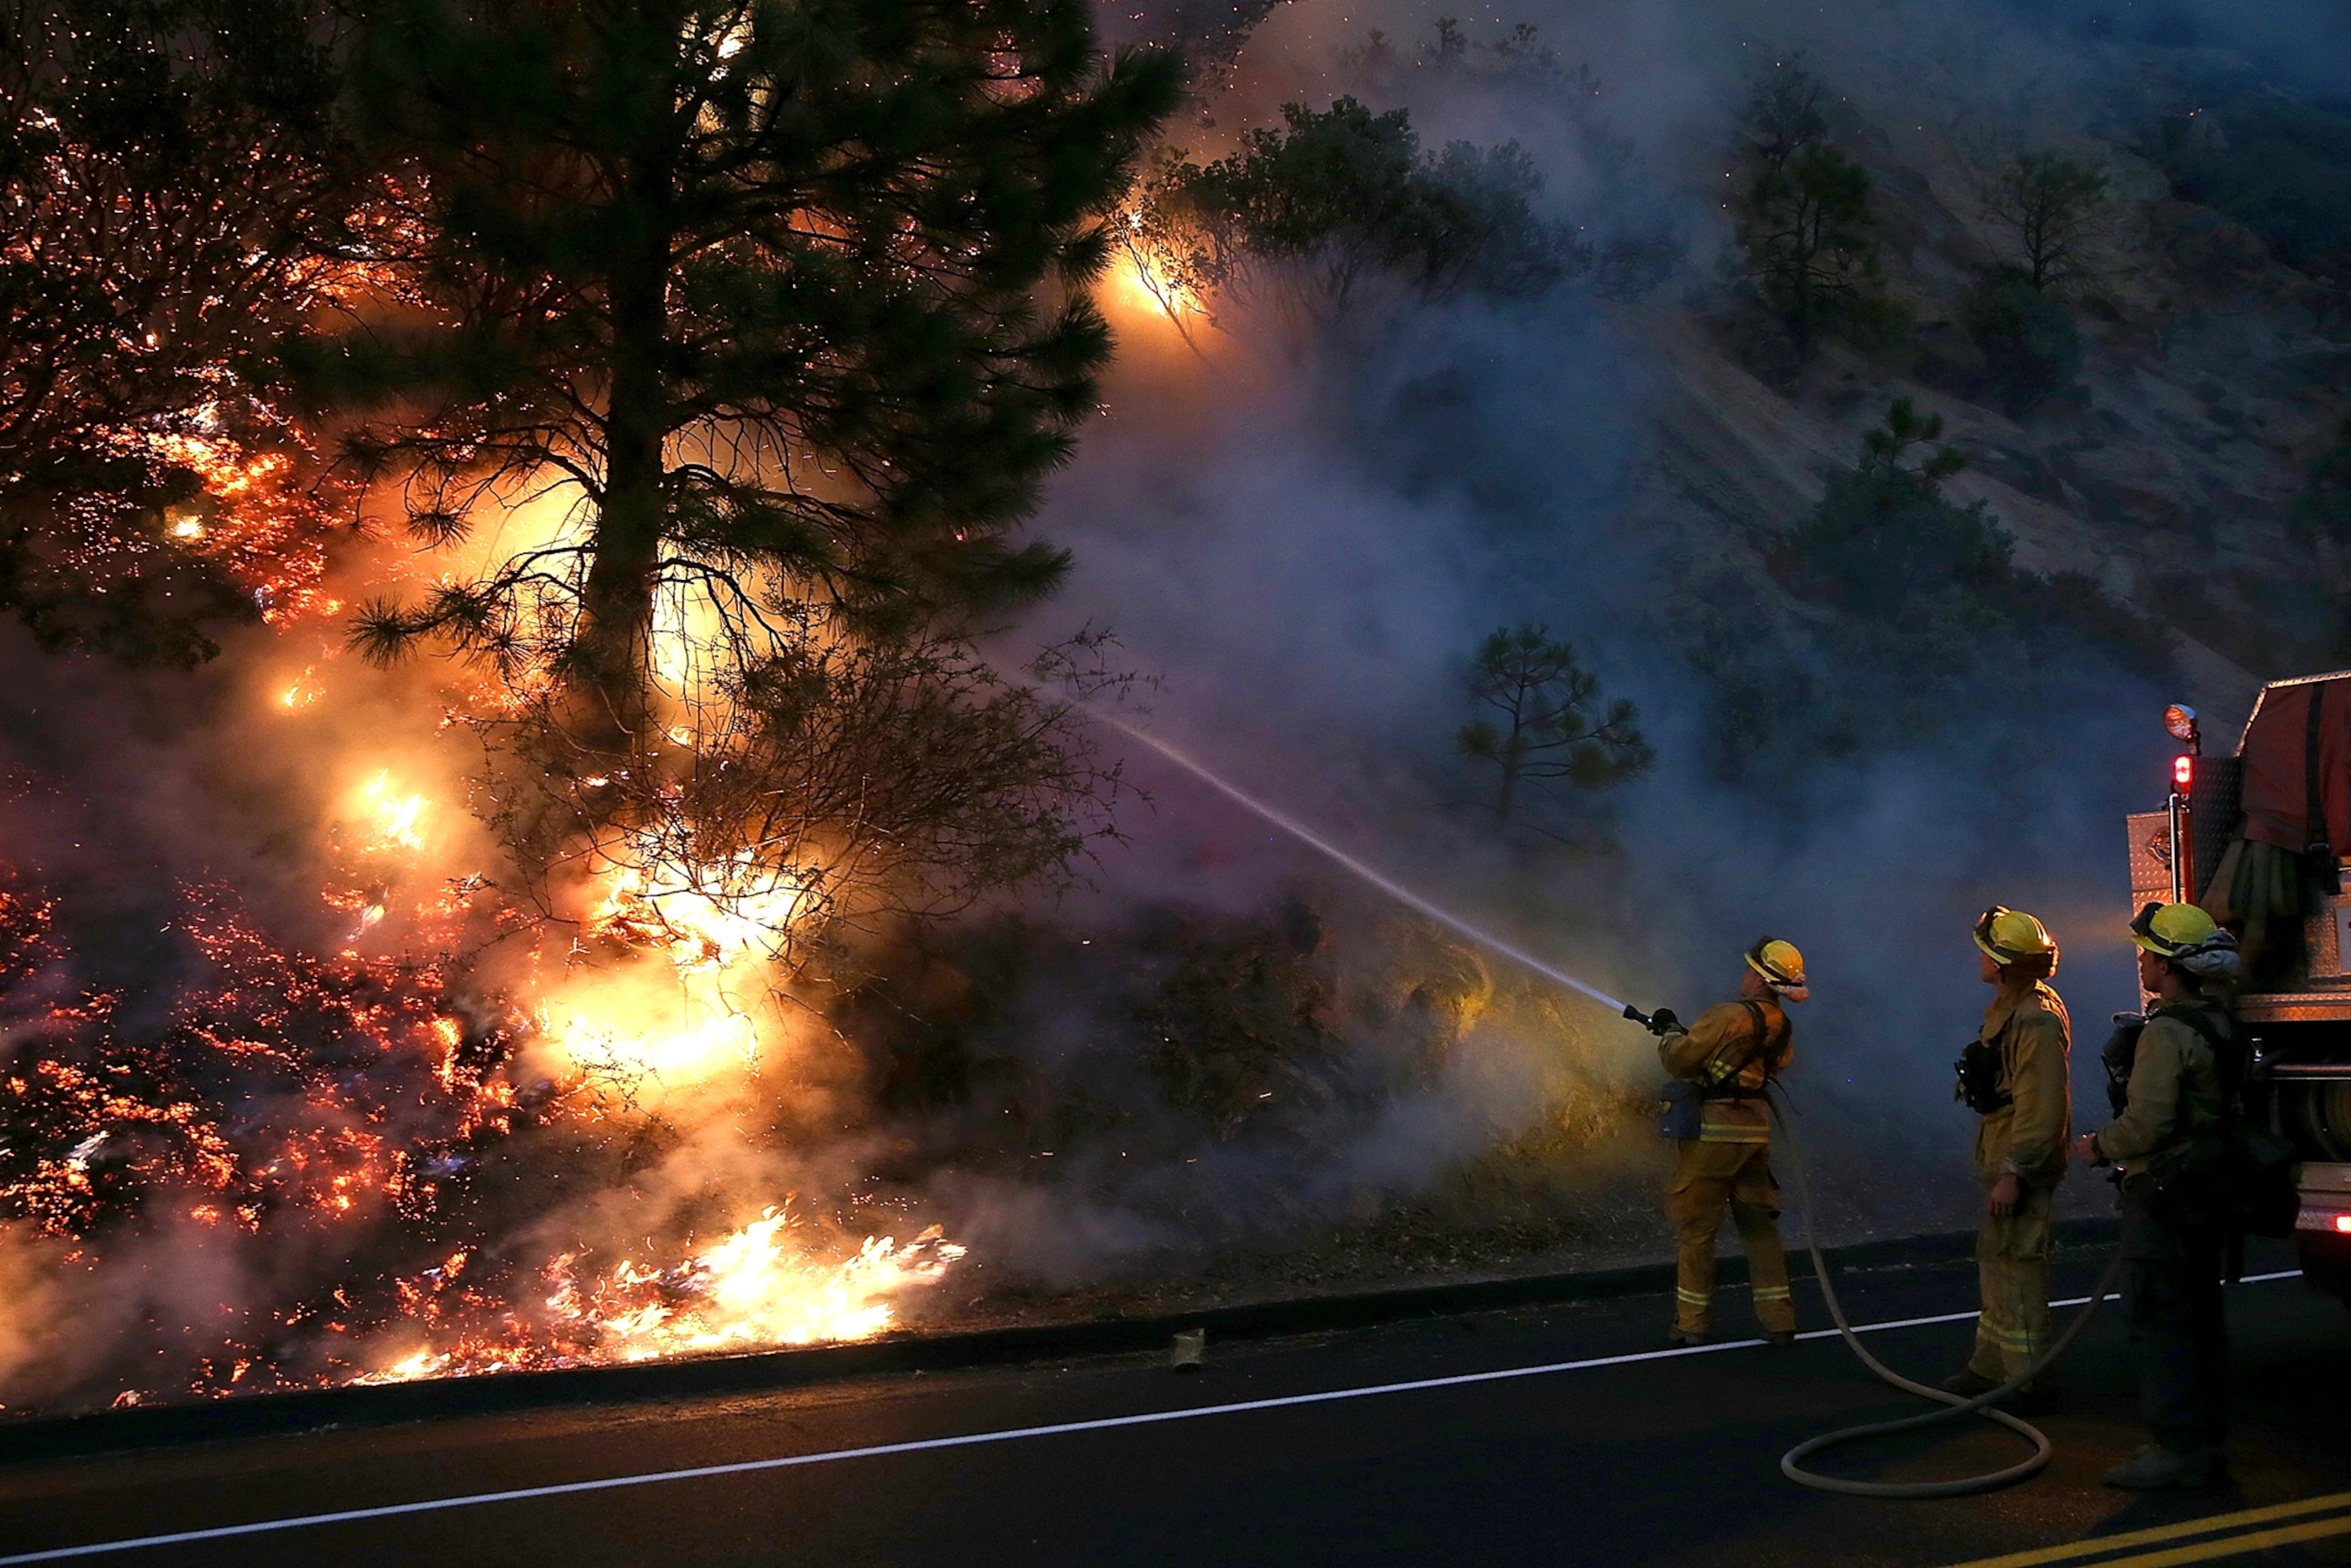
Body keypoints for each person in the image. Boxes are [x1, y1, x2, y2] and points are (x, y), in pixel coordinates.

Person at [2073, 901, 2241, 1491]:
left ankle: (2176, 1450)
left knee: (2161, 1320)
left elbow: (2146, 1125)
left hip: (2165, 1195)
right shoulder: (2217, 1022)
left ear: (2170, 966)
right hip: (2204, 1191)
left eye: (2149, 951)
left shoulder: (2168, 1032)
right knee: (2200, 1319)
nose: (2142, 959)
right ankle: (2204, 1441)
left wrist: (2097, 1145)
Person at [1648, 938, 1806, 1348]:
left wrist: (1668, 1033)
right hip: (1755, 1135)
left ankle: (1691, 1324)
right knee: (1759, 1229)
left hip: (1715, 1137)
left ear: (1759, 977)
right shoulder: (1781, 1026)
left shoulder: (1729, 1015)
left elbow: (1681, 1060)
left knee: (1698, 1227)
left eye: (1750, 969)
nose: (1745, 975)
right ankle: (1779, 1320)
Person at [1945, 906, 2070, 1411]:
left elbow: (2042, 1106)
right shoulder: (2012, 1007)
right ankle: (1991, 1367)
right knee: (1996, 1260)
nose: (1979, 957)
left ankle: (2028, 1381)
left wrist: (2015, 1173)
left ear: (2001, 964)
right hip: (2000, 1155)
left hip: (2019, 1163)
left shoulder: (2036, 1021)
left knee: (2018, 1267)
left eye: (1985, 951)